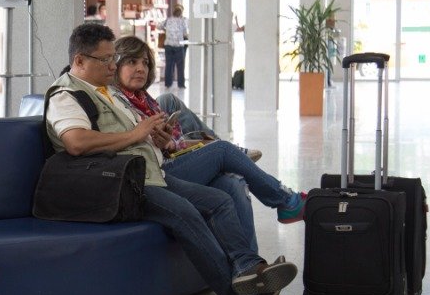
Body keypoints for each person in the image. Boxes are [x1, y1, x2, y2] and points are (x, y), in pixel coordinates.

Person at [44, 23, 296, 295]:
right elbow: (75, 142)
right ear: (80, 61)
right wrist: (136, 135)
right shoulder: (66, 95)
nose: (112, 65)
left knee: (221, 200)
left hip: (149, 174)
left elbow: (131, 136)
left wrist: (155, 141)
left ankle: (248, 267)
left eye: (113, 58)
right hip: (122, 184)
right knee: (187, 214)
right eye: (106, 60)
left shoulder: (105, 92)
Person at [112, 36, 307, 235]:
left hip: (168, 161)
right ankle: (286, 199)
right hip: (155, 175)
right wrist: (167, 144)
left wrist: (169, 143)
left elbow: (160, 144)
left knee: (234, 183)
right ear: (115, 66)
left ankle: (252, 263)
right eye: (132, 62)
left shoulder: (144, 99)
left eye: (145, 62)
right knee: (222, 150)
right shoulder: (116, 102)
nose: (141, 68)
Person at [161, 4, 188, 92]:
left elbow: (159, 26)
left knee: (169, 65)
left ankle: (168, 84)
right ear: (180, 13)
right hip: (178, 46)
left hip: (168, 45)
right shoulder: (183, 21)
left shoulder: (168, 20)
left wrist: (166, 30)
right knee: (180, 66)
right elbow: (185, 33)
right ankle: (181, 84)